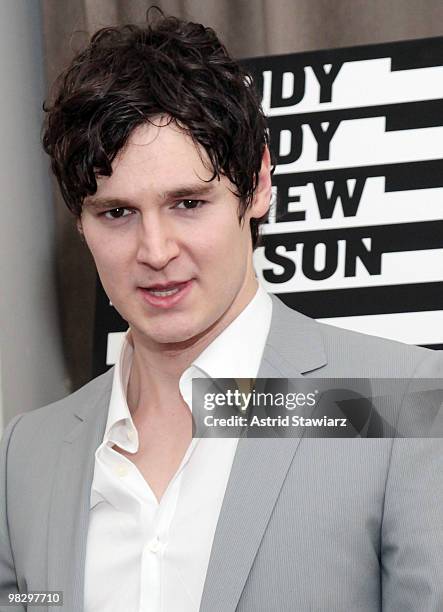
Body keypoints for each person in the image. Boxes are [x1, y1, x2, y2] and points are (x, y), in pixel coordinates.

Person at [0, 11, 442, 612]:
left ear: (258, 184)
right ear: (80, 220)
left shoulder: (395, 406)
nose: (155, 252)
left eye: (188, 203)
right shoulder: (26, 451)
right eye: (117, 213)